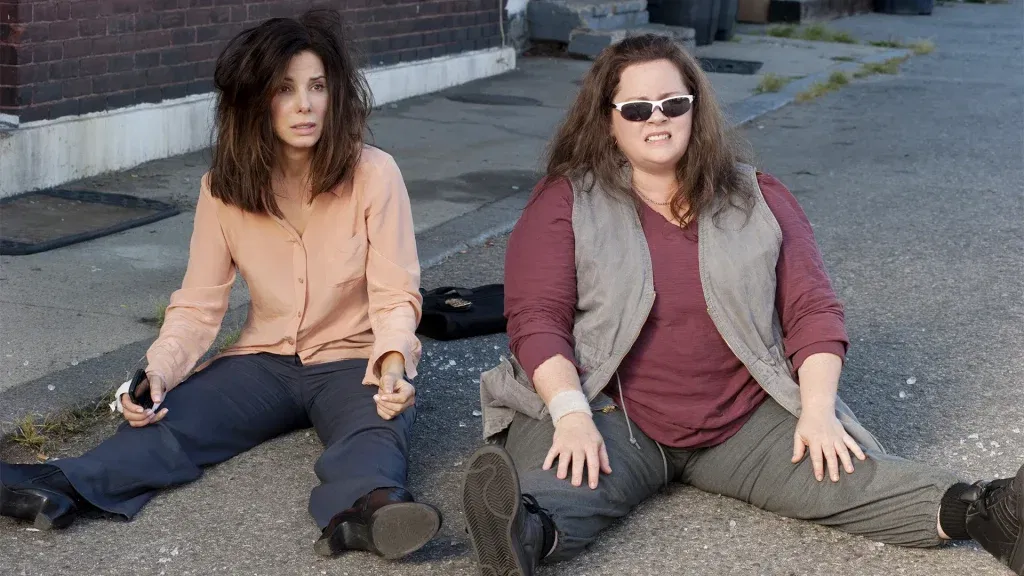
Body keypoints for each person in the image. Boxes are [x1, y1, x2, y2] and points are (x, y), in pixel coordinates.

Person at [460, 34, 1022, 576]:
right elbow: (537, 319)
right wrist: (570, 414)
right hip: (610, 410)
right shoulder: (565, 201)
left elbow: (813, 311)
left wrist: (818, 411)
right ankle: (523, 536)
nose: (656, 118)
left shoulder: (759, 196)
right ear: (607, 119)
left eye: (672, 103)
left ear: (694, 109)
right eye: (636, 108)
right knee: (566, 474)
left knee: (845, 471)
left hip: (741, 416)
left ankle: (992, 513)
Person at [0, 9, 443, 561]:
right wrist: (156, 372)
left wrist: (395, 364)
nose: (305, 105)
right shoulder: (222, 187)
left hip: (356, 357)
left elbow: (395, 291)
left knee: (375, 430)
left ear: (337, 96)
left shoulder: (374, 173)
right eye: (285, 89)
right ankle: (59, 487)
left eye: (318, 87)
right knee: (174, 421)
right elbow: (199, 304)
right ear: (255, 100)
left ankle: (372, 512)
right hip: (264, 360)